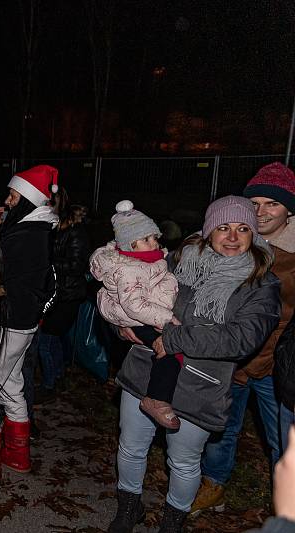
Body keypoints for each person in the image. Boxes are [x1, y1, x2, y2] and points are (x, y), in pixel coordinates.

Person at [109, 195, 280, 533]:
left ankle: (172, 523)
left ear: (254, 235)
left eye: (243, 228)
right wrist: (121, 324)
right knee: (131, 446)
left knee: (184, 462)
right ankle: (128, 509)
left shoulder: (262, 284)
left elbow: (240, 340)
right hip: (146, 370)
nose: (233, 237)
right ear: (208, 231)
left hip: (200, 386)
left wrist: (175, 339)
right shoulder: (176, 261)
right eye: (224, 227)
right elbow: (130, 294)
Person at [191, 162, 295, 514]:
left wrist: (268, 359)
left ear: (289, 210)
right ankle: (214, 483)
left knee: (281, 439)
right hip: (229, 359)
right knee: (222, 428)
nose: (261, 212)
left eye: (273, 204)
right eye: (256, 202)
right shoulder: (235, 237)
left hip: (275, 366)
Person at [0, 165, 59, 477]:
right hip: (21, 321)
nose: (7, 201)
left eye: (12, 195)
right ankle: (18, 455)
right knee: (11, 384)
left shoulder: (28, 234)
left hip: (6, 320)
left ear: (27, 198)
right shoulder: (35, 229)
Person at [90, 200, 180, 429]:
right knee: (168, 351)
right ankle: (157, 399)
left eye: (154, 237)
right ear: (129, 246)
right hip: (138, 318)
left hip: (146, 314)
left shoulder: (147, 261)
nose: (154, 243)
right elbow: (135, 305)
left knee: (171, 349)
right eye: (146, 240)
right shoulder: (130, 268)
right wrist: (166, 318)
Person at [35, 199, 90, 402]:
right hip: (62, 294)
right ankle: (57, 376)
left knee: (45, 341)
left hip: (68, 296)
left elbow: (76, 265)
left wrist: (48, 263)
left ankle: (49, 385)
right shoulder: (63, 233)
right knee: (54, 339)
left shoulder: (76, 234)